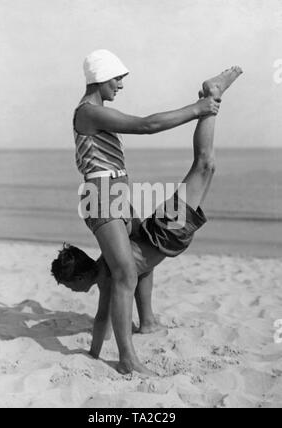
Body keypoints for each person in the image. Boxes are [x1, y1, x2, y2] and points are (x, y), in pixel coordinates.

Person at [71, 50, 242, 375]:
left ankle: (146, 321)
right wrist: (198, 108)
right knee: (125, 274)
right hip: (101, 196)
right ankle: (127, 359)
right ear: (100, 78)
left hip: (115, 193)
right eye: (116, 78)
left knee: (133, 265)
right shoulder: (88, 112)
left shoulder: (96, 112)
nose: (121, 84)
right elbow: (146, 125)